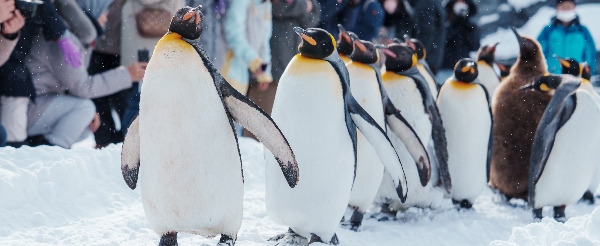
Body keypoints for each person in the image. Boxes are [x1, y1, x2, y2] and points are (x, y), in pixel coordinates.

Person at [24, 0, 146, 148]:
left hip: (38, 103)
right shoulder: (63, 41)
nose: (107, 17)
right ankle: (53, 149)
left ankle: (41, 145)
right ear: (90, 10)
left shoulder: (75, 36)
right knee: (85, 109)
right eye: (104, 11)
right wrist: (127, 74)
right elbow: (83, 86)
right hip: (26, 107)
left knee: (85, 124)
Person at [0, 0, 80, 147]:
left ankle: (18, 148)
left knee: (5, 136)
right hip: (12, 74)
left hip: (13, 70)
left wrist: (61, 34)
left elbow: (43, 8)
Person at [120, 0, 185, 133]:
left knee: (138, 100)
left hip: (139, 45)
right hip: (161, 47)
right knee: (149, 101)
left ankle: (130, 140)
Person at [83, 0, 129, 148]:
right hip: (97, 45)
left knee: (123, 99)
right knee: (98, 97)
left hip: (124, 47)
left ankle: (127, 142)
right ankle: (104, 140)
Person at [222, 0, 273, 96]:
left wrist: (264, 72)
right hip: (229, 68)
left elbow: (264, 41)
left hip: (243, 74)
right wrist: (253, 60)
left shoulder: (266, 4)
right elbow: (233, 33)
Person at [538, 0, 596, 75]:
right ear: (557, 7)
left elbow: (590, 54)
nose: (565, 10)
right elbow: (537, 53)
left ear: (574, 7)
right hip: (552, 79)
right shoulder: (548, 30)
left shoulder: (582, 31)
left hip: (577, 80)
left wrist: (590, 74)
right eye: (563, 7)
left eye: (568, 7)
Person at [437, 0, 479, 84]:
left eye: (464, 3)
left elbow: (475, 46)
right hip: (444, 69)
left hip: (464, 70)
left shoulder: (470, 26)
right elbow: (440, 41)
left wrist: (466, 25)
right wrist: (454, 24)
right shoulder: (444, 23)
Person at [409, 0, 446, 75]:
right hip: (434, 57)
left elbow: (426, 33)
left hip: (426, 59)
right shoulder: (432, 2)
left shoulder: (426, 4)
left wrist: (419, 56)